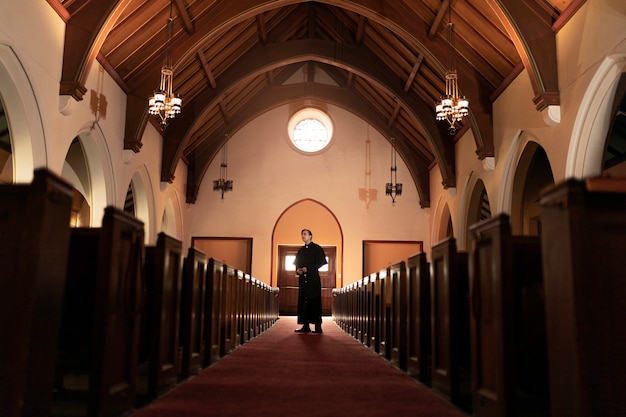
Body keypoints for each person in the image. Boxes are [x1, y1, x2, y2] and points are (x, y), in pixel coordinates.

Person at [293, 228, 327, 333]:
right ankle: (305, 326)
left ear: (310, 236)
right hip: (303, 280)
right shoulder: (301, 250)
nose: (303, 236)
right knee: (304, 302)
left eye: (305, 234)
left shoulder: (317, 248)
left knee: (314, 302)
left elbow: (321, 263)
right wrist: (298, 270)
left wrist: (309, 269)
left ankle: (318, 327)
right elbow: (297, 264)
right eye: (302, 234)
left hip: (313, 280)